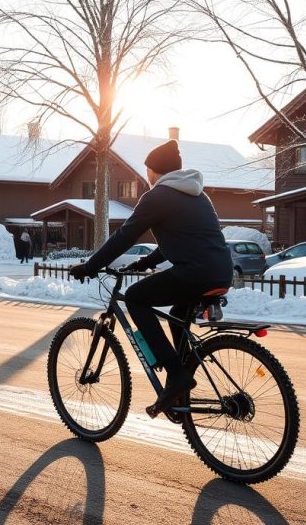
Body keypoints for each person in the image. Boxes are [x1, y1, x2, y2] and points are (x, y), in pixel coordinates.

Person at [68, 139, 233, 418]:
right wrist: (145, 262)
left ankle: (177, 375)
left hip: (194, 273)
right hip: (220, 271)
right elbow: (183, 238)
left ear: (156, 171)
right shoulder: (197, 195)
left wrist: (91, 266)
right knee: (179, 313)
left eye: (148, 171)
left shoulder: (158, 196)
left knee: (135, 298)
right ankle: (178, 391)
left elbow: (125, 236)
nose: (148, 177)